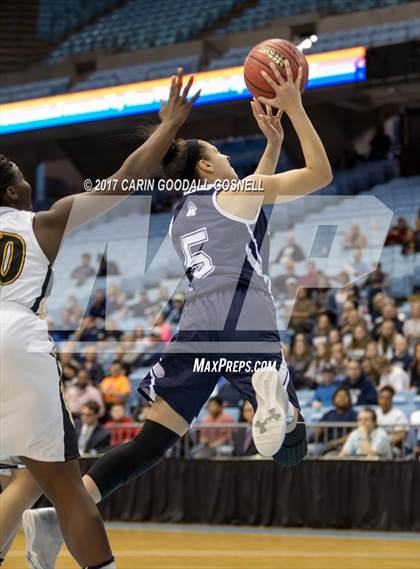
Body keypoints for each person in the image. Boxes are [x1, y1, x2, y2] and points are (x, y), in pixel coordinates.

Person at [23, 60, 333, 564]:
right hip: (243, 309)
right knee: (291, 448)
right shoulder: (233, 194)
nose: (230, 156)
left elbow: (244, 211)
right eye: (220, 153)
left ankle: (57, 516)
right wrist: (295, 108)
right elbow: (321, 174)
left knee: (154, 438)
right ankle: (267, 390)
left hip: (197, 322)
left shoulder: (181, 214)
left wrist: (272, 147)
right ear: (207, 168)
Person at [0, 68, 199, 569]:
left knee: (22, 478)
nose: (28, 184)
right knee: (65, 484)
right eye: (21, 178)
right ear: (9, 195)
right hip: (14, 337)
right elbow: (123, 181)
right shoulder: (42, 221)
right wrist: (167, 128)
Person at [309, 387, 357, 456]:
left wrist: (337, 442)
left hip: (344, 446)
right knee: (308, 451)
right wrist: (317, 431)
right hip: (326, 444)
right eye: (339, 396)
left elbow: (354, 433)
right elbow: (317, 432)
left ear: (349, 399)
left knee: (329, 457)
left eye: (344, 396)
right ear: (334, 399)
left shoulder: (354, 414)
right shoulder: (328, 414)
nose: (341, 398)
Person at [376, 386, 408, 455]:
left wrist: (384, 443)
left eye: (387, 398)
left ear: (392, 400)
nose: (384, 401)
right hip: (375, 444)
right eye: (382, 398)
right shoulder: (375, 413)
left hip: (393, 446)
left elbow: (401, 434)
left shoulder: (399, 415)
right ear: (378, 399)